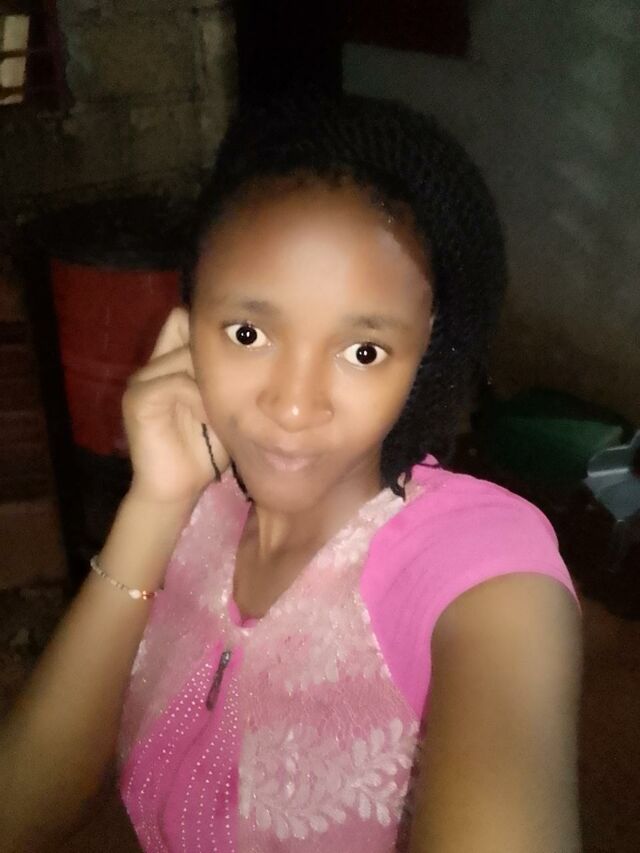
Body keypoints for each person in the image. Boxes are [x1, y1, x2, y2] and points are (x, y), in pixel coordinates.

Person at [0, 94, 582, 852]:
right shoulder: (202, 503)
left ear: (425, 356)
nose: (294, 407)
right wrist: (156, 502)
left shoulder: (478, 561)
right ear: (187, 323)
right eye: (248, 333)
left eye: (364, 351)